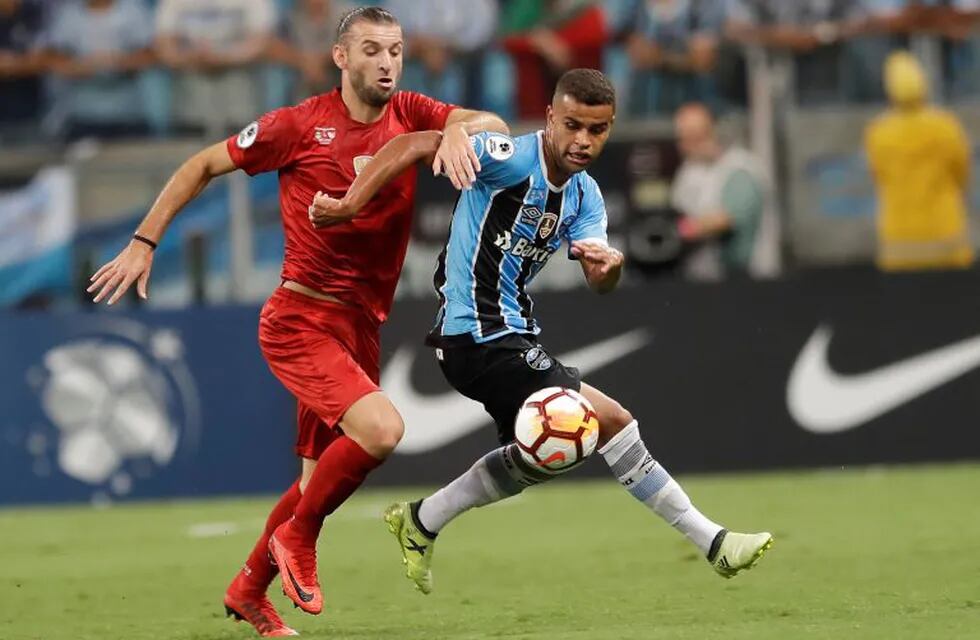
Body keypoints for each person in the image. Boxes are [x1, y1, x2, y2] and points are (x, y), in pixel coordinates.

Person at [87, 6, 507, 637]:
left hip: (361, 327)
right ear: (341, 57)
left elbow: (493, 124)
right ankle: (301, 541)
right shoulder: (298, 125)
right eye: (370, 50)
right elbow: (201, 164)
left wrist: (458, 129)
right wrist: (145, 241)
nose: (386, 62)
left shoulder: (412, 113)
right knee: (384, 430)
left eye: (394, 50)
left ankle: (249, 589)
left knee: (316, 481)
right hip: (301, 317)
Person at [309, 69, 773, 596]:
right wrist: (350, 203)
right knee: (612, 422)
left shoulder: (585, 196)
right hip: (474, 334)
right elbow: (416, 143)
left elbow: (600, 279)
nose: (582, 140)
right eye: (572, 125)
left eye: (596, 130)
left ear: (610, 128)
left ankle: (422, 520)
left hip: (512, 336)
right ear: (551, 118)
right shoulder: (506, 157)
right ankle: (713, 542)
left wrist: (608, 265)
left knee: (545, 452)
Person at [866, 51, 973, 271]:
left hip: (899, 242)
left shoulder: (879, 132)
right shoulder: (945, 126)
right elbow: (962, 172)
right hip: (946, 237)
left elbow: (878, 177)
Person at [670, 102, 778, 280]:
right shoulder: (688, 172)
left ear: (713, 131)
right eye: (684, 139)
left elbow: (726, 219)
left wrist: (679, 230)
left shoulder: (740, 168)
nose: (689, 145)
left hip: (751, 278)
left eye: (698, 137)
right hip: (705, 279)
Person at [44, 0, 158, 139]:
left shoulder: (132, 11)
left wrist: (116, 62)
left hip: (128, 114)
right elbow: (54, 60)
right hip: (82, 115)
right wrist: (83, 66)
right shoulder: (69, 14)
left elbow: (150, 56)